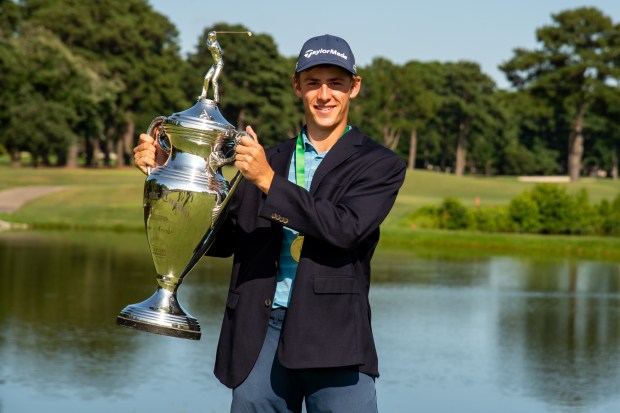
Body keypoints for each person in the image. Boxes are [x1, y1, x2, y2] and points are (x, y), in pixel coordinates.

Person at [133, 34, 407, 413]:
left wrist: (267, 181)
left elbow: (344, 228)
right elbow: (220, 239)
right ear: (297, 87)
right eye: (312, 83)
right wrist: (173, 176)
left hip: (336, 338)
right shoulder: (266, 157)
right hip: (259, 333)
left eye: (336, 83)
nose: (324, 95)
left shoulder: (380, 164)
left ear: (353, 88)